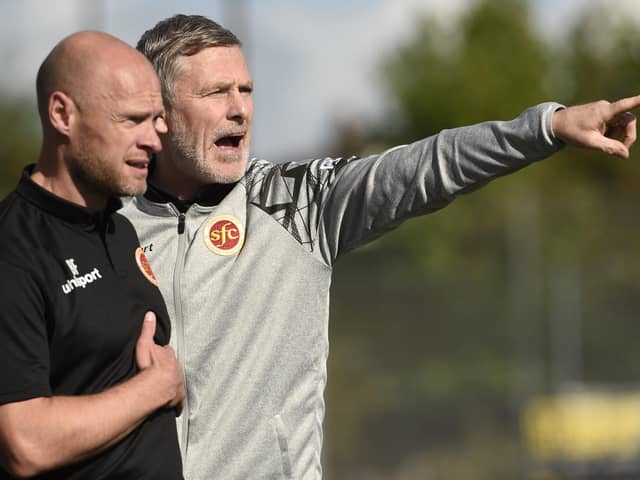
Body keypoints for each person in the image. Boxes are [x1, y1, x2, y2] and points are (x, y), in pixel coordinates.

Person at [121, 14, 640, 480]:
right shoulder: (102, 223)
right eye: (216, 93)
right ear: (158, 111)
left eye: (246, 89)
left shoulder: (297, 202)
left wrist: (545, 128)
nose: (239, 110)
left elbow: (425, 166)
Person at [0, 31, 185, 479]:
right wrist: (156, 388)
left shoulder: (118, 228)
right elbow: (25, 443)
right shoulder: (13, 252)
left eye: (157, 119)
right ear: (63, 114)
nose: (155, 140)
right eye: (133, 120)